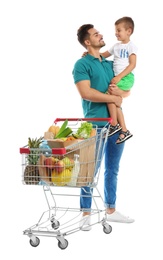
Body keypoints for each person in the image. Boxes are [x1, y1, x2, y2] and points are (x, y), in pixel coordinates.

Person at [72, 23, 134, 231]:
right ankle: (86, 214)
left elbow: (125, 92)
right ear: (87, 42)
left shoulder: (110, 64)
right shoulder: (81, 65)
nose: (101, 35)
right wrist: (112, 98)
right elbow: (86, 93)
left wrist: (119, 97)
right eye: (95, 34)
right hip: (95, 125)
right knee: (89, 170)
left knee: (112, 169)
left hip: (116, 125)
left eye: (100, 32)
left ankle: (111, 210)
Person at [101, 17, 138, 144]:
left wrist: (119, 77)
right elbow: (103, 55)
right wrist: (88, 54)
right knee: (114, 102)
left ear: (129, 31)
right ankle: (124, 130)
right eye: (115, 30)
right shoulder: (116, 46)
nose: (116, 33)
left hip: (126, 77)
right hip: (119, 78)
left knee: (109, 96)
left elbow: (132, 65)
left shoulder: (131, 46)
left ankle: (115, 124)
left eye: (119, 30)